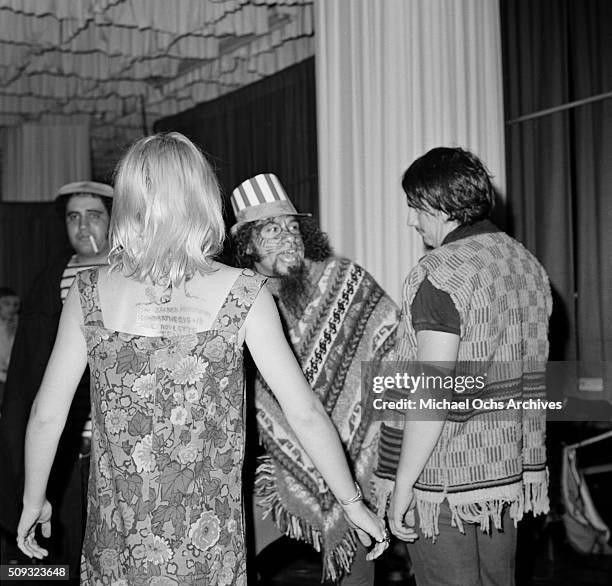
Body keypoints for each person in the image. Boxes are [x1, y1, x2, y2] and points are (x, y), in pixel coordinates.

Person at [16, 132, 388, 585]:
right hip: (208, 548)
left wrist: (34, 500)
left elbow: (46, 414)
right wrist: (353, 503)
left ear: (131, 202)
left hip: (119, 546)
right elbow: (305, 412)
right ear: (202, 199)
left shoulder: (88, 290)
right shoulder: (242, 292)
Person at [375, 147, 552, 586]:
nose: (411, 221)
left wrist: (401, 489)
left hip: (447, 480)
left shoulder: (440, 271)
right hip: (506, 473)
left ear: (441, 206)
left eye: (415, 208)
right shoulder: (524, 262)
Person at [231, 174, 401, 584]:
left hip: (356, 458)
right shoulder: (237, 300)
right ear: (247, 245)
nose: (289, 238)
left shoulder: (343, 282)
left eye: (293, 228)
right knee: (231, 560)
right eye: (272, 230)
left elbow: (396, 354)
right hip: (271, 467)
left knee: (355, 573)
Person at [0, 180, 113, 578]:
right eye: (73, 217)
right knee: (62, 550)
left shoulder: (132, 275)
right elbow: (29, 371)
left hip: (118, 445)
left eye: (94, 215)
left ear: (115, 220)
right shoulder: (52, 278)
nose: (83, 228)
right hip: (63, 444)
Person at [0, 286, 20, 409]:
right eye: (6, 303)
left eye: (15, 304)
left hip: (13, 378)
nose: (11, 308)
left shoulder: (19, 323)